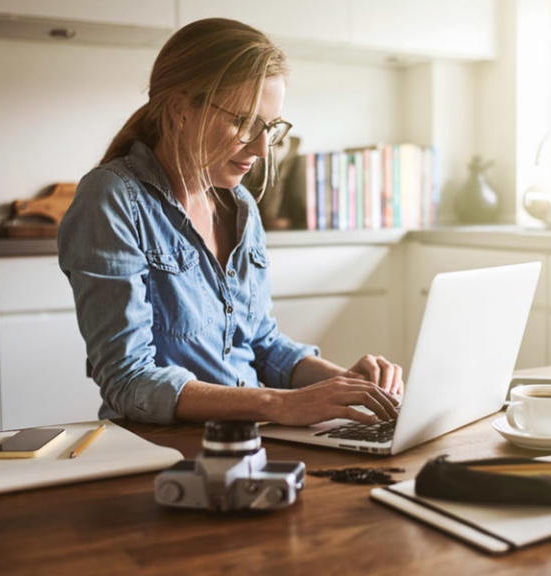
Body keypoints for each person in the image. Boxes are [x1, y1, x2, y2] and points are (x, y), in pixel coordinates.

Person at [58, 18, 402, 428]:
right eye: (243, 123)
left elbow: (261, 344)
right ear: (180, 110)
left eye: (270, 128)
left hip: (252, 440)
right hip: (160, 449)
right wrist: (279, 405)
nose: (261, 148)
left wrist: (348, 385)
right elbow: (128, 379)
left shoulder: (240, 207)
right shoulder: (114, 198)